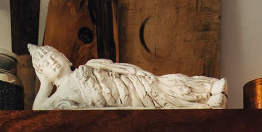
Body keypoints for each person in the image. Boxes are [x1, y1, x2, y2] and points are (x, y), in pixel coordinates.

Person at [29, 45, 227, 110]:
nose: (52, 62)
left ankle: (208, 89)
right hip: (121, 101)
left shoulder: (87, 67)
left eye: (54, 57)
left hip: (129, 85)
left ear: (64, 57)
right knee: (165, 103)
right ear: (43, 73)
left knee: (162, 85)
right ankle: (208, 103)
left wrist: (135, 75)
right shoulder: (59, 96)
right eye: (46, 64)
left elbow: (116, 70)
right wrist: (45, 84)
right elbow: (38, 110)